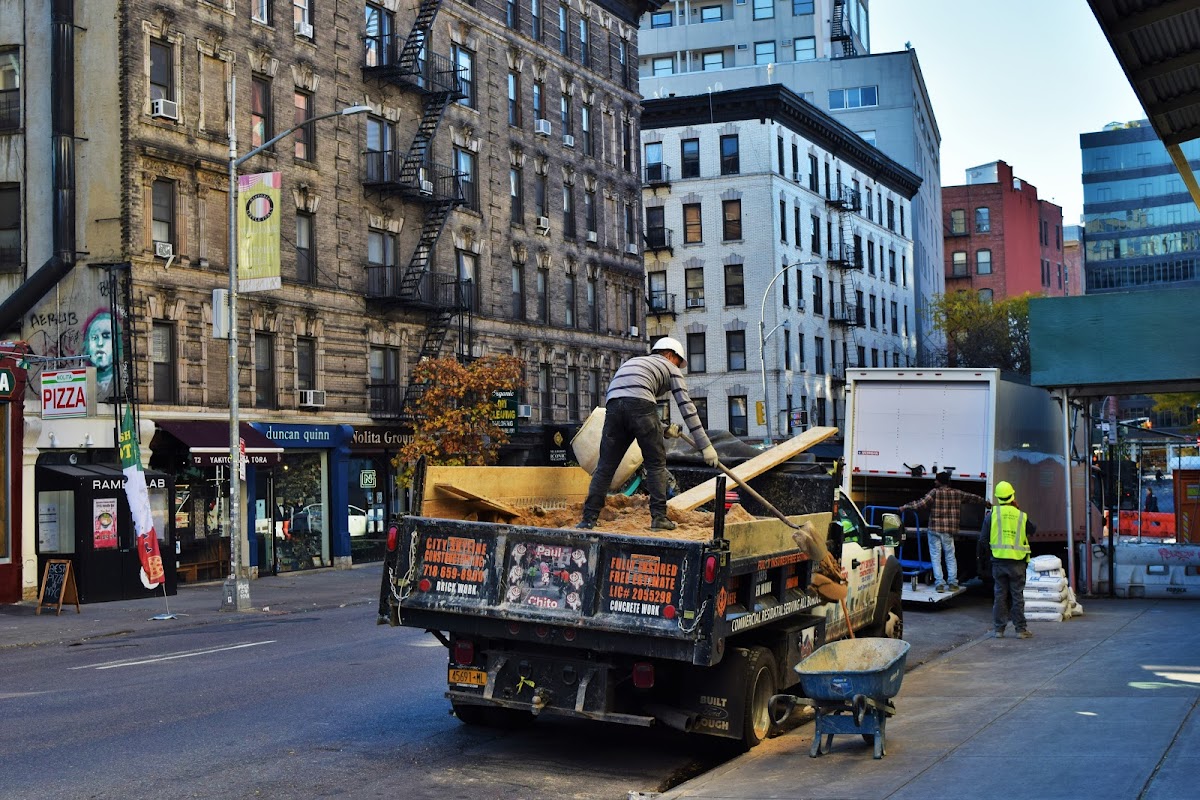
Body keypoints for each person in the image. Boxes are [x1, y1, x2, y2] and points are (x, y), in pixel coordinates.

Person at [578, 337, 718, 531]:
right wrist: (705, 446)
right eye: (679, 362)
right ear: (670, 355)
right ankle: (659, 518)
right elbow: (686, 407)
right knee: (656, 464)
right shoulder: (670, 368)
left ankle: (588, 519)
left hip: (613, 405)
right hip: (639, 405)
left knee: (605, 467)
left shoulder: (635, 362)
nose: (679, 367)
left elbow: (630, 402)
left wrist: (664, 428)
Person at [898, 471, 989, 593]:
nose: (934, 481)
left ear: (940, 481)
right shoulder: (956, 493)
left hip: (934, 529)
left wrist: (905, 507)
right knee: (950, 556)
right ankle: (952, 583)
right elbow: (972, 498)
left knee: (936, 557)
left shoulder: (934, 492)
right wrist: (986, 503)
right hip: (948, 531)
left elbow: (921, 504)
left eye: (936, 480)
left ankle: (939, 583)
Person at [978, 480, 1035, 639]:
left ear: (997, 497)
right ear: (1012, 496)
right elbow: (1033, 530)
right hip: (1017, 562)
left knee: (1000, 595)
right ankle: (1020, 630)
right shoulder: (1021, 515)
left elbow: (983, 539)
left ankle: (999, 630)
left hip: (998, 561)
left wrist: (992, 552)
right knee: (1017, 596)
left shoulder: (992, 515)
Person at [81, 308, 117, 398]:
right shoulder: (81, 382)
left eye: (106, 336)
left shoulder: (122, 382)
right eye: (94, 337)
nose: (100, 343)